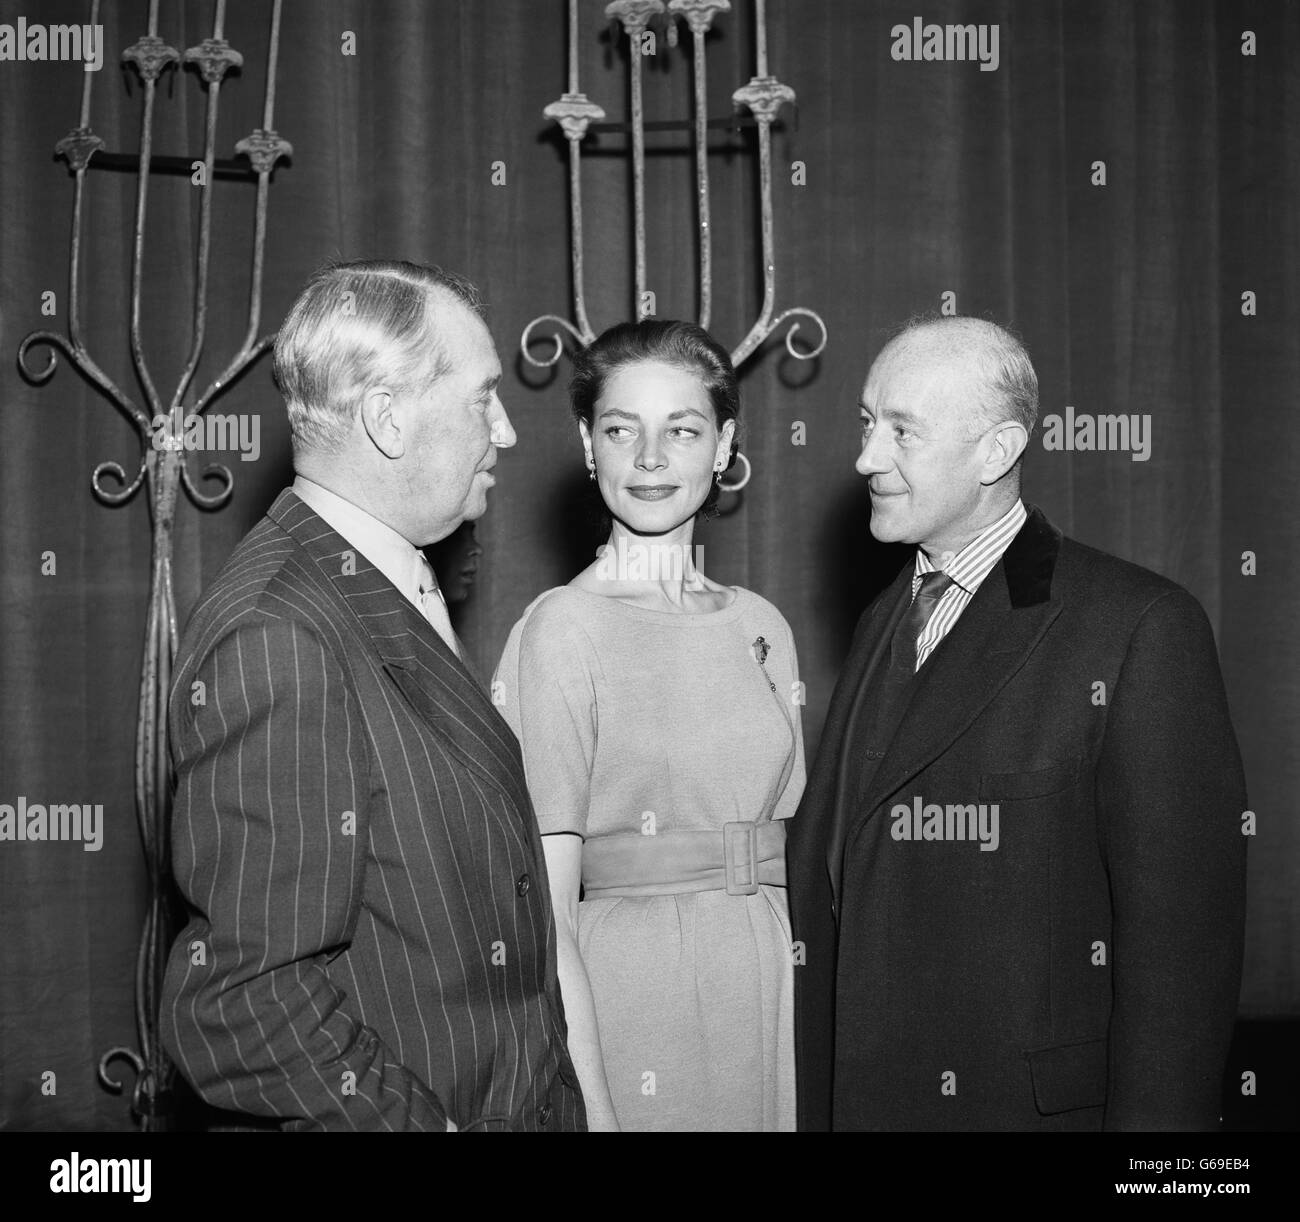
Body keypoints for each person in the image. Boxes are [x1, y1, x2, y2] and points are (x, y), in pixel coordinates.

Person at [788, 315, 1247, 1132]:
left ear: (997, 452)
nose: (864, 457)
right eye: (866, 422)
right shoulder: (882, 620)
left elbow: (1180, 964)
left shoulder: (1139, 626)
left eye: (902, 431)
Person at [160, 259, 585, 1132]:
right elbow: (247, 1004)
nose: (504, 431)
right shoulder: (279, 632)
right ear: (389, 420)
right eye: (481, 399)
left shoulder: (381, 574)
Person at [494, 320, 803, 1131]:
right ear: (588, 446)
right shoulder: (562, 628)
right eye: (622, 430)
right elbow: (547, 912)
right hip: (636, 997)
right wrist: (595, 1110)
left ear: (725, 443)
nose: (652, 459)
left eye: (684, 430)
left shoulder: (761, 624)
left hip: (771, 983)